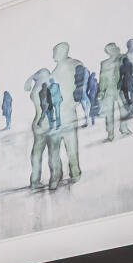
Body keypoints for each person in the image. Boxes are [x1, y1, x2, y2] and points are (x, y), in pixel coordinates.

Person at [50, 42, 86, 179]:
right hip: (58, 112)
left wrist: (75, 101)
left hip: (68, 109)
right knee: (58, 144)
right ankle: (60, 173)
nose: (53, 55)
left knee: (70, 142)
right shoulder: (55, 71)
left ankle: (74, 171)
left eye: (55, 51)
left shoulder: (74, 64)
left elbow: (79, 84)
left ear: (63, 52)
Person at [25, 68, 66, 189]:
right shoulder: (52, 88)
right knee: (54, 151)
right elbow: (57, 105)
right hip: (51, 123)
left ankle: (34, 180)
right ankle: (54, 178)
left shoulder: (35, 91)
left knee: (37, 153)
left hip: (37, 125)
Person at [100, 42, 133, 139]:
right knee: (109, 113)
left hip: (120, 89)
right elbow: (102, 78)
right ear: (107, 52)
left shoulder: (122, 58)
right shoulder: (104, 63)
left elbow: (127, 69)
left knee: (124, 110)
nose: (112, 50)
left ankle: (124, 128)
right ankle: (110, 133)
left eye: (113, 48)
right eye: (109, 49)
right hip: (109, 90)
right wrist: (101, 90)